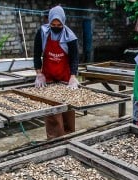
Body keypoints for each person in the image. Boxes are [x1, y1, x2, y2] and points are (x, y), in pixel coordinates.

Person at [33, 5, 79, 139]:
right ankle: (55, 139)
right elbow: (36, 54)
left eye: (59, 25)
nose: (56, 26)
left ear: (63, 22)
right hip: (48, 76)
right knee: (53, 111)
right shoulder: (42, 32)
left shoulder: (70, 37)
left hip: (65, 76)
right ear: (49, 21)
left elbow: (74, 58)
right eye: (53, 24)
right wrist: (38, 73)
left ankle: (69, 135)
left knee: (68, 107)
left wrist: (73, 76)